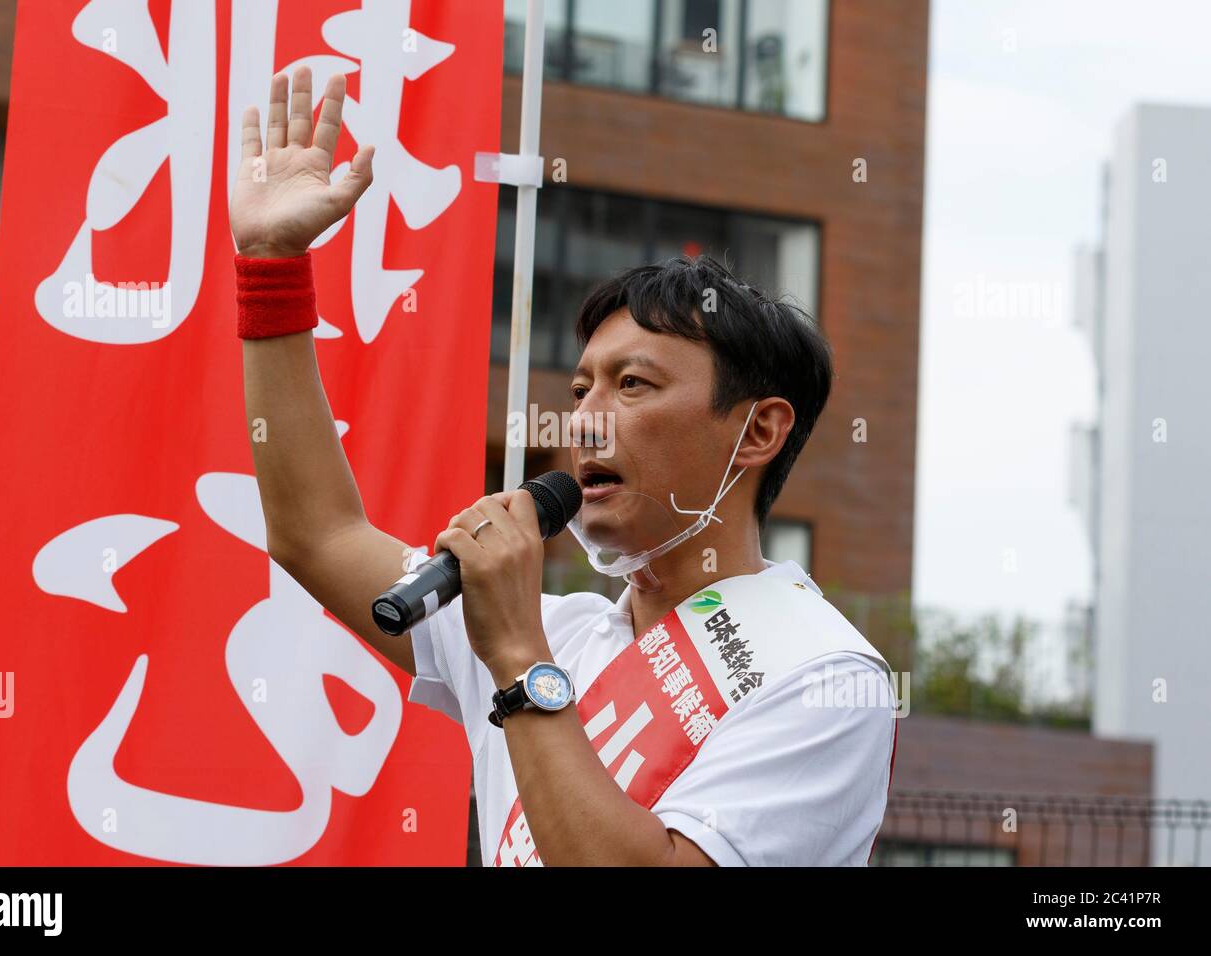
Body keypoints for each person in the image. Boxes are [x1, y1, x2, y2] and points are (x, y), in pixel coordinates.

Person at [231, 67, 898, 867]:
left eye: (633, 384)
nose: (584, 418)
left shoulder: (821, 670)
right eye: (580, 388)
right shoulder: (566, 631)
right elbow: (318, 533)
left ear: (758, 431)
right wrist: (271, 266)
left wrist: (517, 660)